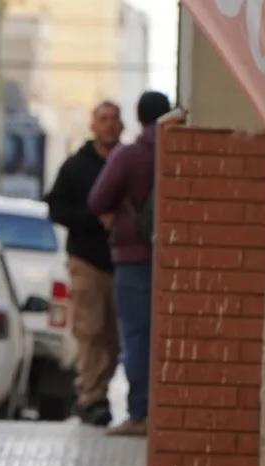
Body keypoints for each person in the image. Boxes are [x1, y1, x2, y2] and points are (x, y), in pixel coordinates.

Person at [87, 91, 172, 437]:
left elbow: (97, 200)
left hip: (134, 258)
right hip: (172, 259)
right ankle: (166, 411)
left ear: (137, 118)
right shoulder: (176, 150)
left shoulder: (131, 155)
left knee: (136, 338)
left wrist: (117, 215)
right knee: (166, 337)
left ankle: (140, 414)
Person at [45, 101, 123, 426]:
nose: (108, 125)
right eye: (102, 119)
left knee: (113, 335)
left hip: (120, 262)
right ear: (93, 126)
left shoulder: (125, 162)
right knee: (89, 331)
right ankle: (91, 396)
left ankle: (99, 389)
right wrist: (93, 219)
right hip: (86, 261)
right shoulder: (76, 167)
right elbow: (56, 208)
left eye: (113, 120)